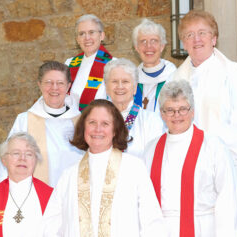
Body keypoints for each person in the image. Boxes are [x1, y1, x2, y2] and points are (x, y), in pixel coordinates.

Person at [173, 10, 237, 236]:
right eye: (189, 35)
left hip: (232, 164)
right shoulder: (176, 79)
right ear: (183, 43)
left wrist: (213, 155)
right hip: (191, 168)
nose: (196, 39)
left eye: (202, 33)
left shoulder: (233, 72)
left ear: (214, 38)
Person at [40, 99, 166, 237]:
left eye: (105, 123)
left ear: (115, 130)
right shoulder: (69, 175)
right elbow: (49, 226)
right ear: (83, 128)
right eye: (92, 122)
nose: (98, 129)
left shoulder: (134, 168)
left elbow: (152, 223)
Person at [144, 80, 237, 236]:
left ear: (192, 111)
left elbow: (227, 198)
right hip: (161, 229)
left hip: (204, 228)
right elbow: (145, 200)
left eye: (182, 109)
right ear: (162, 114)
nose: (177, 116)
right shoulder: (151, 150)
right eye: (170, 110)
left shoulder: (214, 146)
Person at [0, 61, 83, 188]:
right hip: (36, 199)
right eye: (48, 82)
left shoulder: (82, 122)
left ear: (68, 86)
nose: (54, 88)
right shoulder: (25, 120)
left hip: (74, 196)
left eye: (60, 83)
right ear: (39, 85)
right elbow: (9, 161)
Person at [0, 132, 53, 237]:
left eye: (29, 154)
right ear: (4, 160)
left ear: (35, 160)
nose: (22, 158)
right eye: (16, 153)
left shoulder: (52, 198)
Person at [103, 58, 166, 158]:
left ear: (135, 87)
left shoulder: (151, 120)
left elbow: (156, 158)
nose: (120, 86)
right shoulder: (98, 120)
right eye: (114, 81)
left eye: (125, 81)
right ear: (106, 87)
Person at [65, 14, 113, 111]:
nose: (87, 38)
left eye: (91, 32)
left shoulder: (114, 65)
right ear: (77, 39)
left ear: (102, 36)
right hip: (70, 121)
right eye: (82, 34)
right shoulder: (69, 63)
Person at [133, 18, 176, 112]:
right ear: (136, 48)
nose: (149, 46)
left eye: (154, 41)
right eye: (143, 41)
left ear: (162, 46)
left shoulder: (175, 77)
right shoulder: (131, 81)